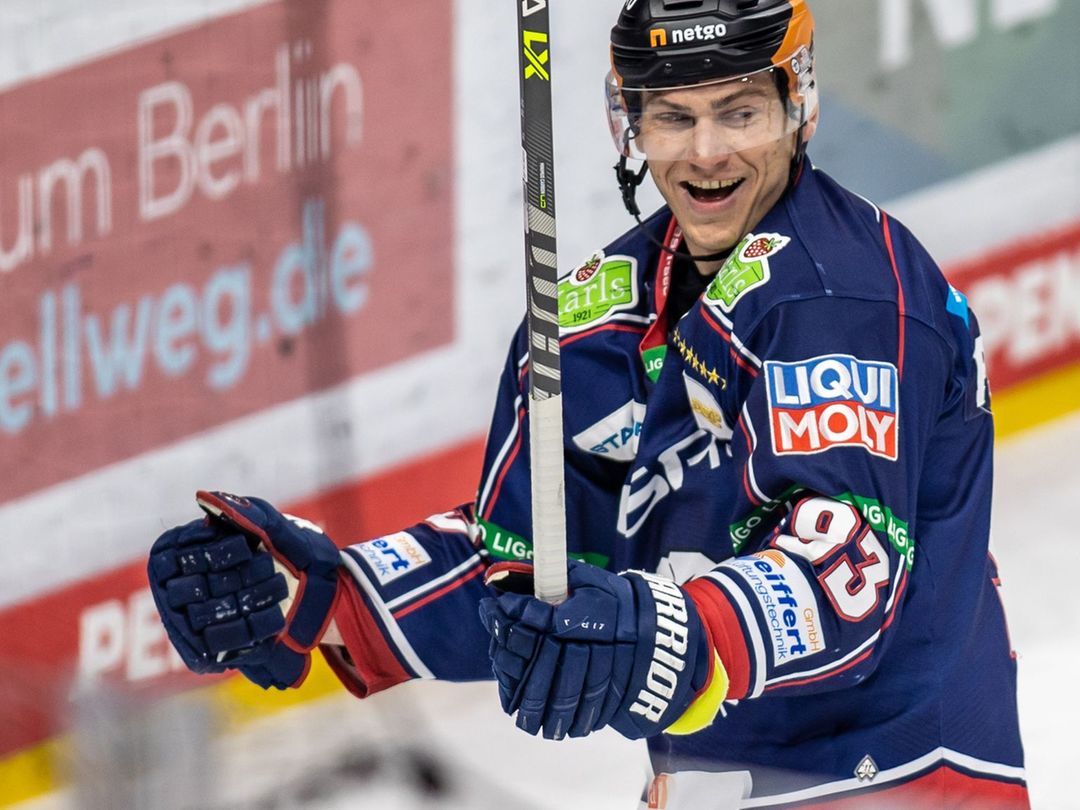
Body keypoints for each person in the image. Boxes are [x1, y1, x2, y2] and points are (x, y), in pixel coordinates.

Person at [146, 1, 1029, 806]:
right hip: (709, 787)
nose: (706, 152)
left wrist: (672, 634)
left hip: (901, 781)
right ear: (630, 124)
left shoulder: (845, 296)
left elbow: (847, 570)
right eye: (673, 117)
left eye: (739, 113)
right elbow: (531, 567)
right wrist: (329, 597)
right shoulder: (589, 325)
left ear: (799, 107)